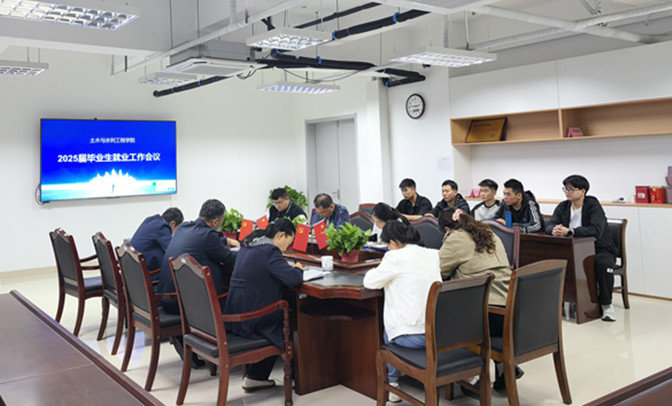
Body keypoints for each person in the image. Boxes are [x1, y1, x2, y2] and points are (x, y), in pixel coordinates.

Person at [437, 207, 521, 392]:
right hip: (512, 309)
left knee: (444, 315)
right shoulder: (488, 233)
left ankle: (468, 376)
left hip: (487, 316)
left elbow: (439, 271)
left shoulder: (455, 238)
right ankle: (503, 367)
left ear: (447, 229)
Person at [363, 220, 441, 402]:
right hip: (440, 334)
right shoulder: (433, 254)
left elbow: (370, 282)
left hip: (412, 339)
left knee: (389, 330)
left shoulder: (394, 257)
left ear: (392, 242)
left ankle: (393, 384)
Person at [223, 218, 304, 391]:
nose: (287, 248)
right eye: (288, 243)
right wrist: (298, 268)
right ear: (281, 235)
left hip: (235, 313)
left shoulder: (250, 243)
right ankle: (298, 377)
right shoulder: (270, 250)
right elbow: (293, 279)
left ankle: (256, 377)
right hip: (251, 320)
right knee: (293, 319)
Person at [545, 175, 618, 321]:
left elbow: (596, 230)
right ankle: (562, 299)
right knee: (553, 260)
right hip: (574, 249)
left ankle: (606, 305)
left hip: (600, 249)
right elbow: (549, 224)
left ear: (582, 191)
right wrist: (554, 229)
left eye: (571, 189)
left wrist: (570, 231)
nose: (567, 192)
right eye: (565, 189)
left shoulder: (593, 205)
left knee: (603, 264)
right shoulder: (563, 206)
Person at [158, 199, 239, 314]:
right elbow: (228, 258)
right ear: (216, 221)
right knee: (234, 299)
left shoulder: (184, 227)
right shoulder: (208, 235)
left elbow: (201, 242)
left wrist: (226, 241)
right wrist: (246, 252)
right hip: (185, 304)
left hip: (168, 298)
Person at [130, 207, 183, 273]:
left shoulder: (150, 220)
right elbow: (171, 251)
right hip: (145, 272)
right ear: (172, 223)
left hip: (134, 269)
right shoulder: (162, 227)